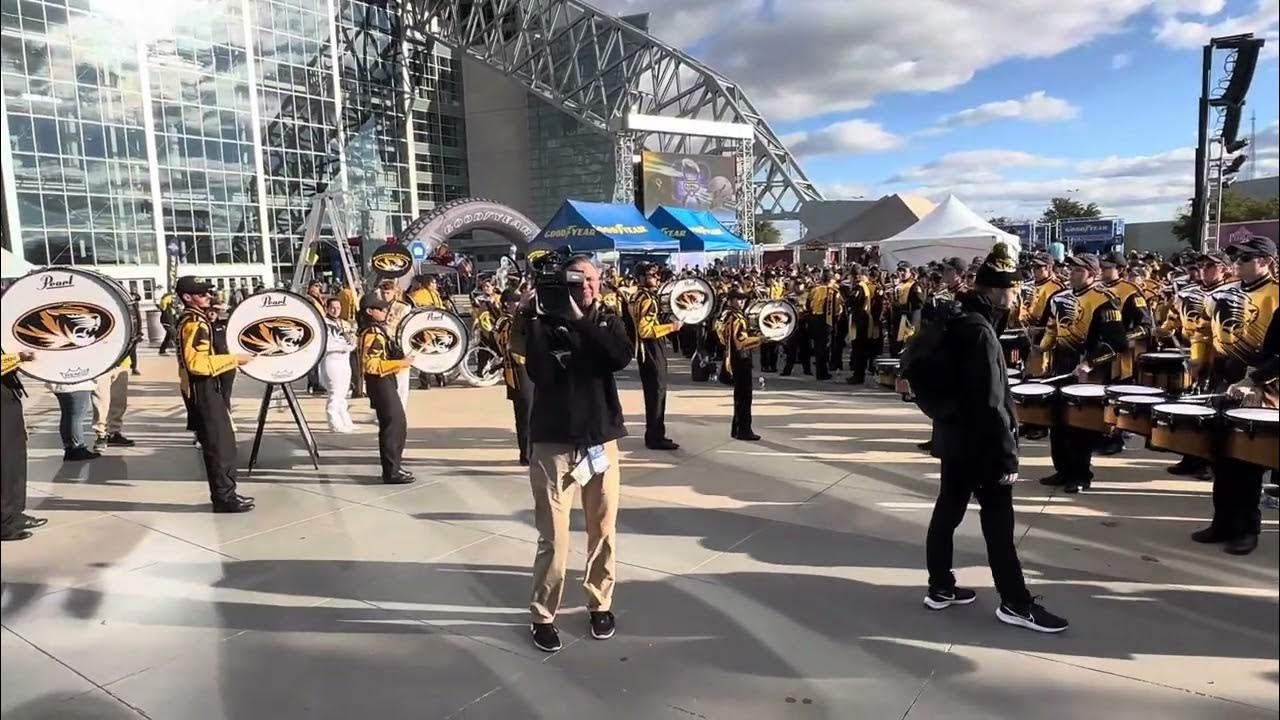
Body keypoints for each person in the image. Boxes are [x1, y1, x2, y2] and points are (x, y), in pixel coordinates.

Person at [923, 243, 1068, 633]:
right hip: (980, 444)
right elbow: (990, 403)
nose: (1018, 296)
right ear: (997, 290)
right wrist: (1007, 457)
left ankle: (940, 587)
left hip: (953, 436)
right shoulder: (980, 331)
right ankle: (1015, 603)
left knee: (947, 511)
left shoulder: (958, 316)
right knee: (999, 523)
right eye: (1015, 289)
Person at [523, 253, 633, 653]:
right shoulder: (543, 320)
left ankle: (600, 603)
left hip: (599, 440)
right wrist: (533, 316)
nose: (584, 287)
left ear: (599, 281)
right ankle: (542, 614)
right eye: (575, 281)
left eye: (589, 280)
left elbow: (619, 356)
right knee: (553, 538)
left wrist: (583, 321)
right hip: (553, 443)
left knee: (602, 530)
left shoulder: (606, 319)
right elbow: (540, 372)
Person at [1193, 236, 1278, 556]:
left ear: (1266, 261)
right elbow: (1206, 333)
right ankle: (1222, 523)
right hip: (1224, 384)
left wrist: (1253, 380)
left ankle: (1247, 529)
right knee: (1222, 457)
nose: (1238, 263)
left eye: (1246, 258)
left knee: (1247, 462)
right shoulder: (1224, 294)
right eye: (1237, 259)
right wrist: (1200, 359)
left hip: (1263, 390)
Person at [1038, 255, 1129, 494]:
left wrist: (1089, 363)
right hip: (1061, 369)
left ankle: (1080, 475)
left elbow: (1117, 343)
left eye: (1078, 270)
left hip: (1088, 374)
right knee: (1057, 424)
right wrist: (1042, 347)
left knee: (1080, 427)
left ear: (1092, 273)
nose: (1072, 273)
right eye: (1071, 269)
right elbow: (1052, 329)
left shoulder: (1106, 301)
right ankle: (1062, 470)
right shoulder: (1058, 298)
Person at [175, 276, 255, 513]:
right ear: (187, 297)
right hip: (203, 389)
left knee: (223, 443)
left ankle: (226, 493)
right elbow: (196, 364)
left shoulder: (196, 319)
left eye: (208, 293)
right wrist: (234, 359)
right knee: (219, 446)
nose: (208, 297)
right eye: (202, 294)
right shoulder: (193, 323)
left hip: (205, 388)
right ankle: (224, 498)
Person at [359, 294, 416, 484]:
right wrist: (401, 363)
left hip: (384, 381)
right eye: (380, 309)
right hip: (379, 381)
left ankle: (395, 466)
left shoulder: (376, 330)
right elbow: (371, 365)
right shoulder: (372, 333)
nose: (385, 312)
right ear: (369, 312)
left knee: (396, 424)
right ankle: (391, 471)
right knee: (394, 425)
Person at [629, 261, 681, 451]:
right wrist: (671, 327)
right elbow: (645, 330)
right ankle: (655, 437)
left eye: (657, 274)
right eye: (652, 275)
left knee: (654, 394)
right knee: (657, 394)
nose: (657, 277)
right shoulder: (648, 299)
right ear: (641, 278)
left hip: (646, 350)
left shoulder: (638, 296)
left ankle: (655, 434)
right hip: (651, 348)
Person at [2, 350, 46, 541]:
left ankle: (15, 514)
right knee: (5, 463)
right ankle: (5, 522)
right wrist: (18, 357)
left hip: (7, 395)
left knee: (15, 458)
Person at [718, 289, 764, 440]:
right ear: (730, 300)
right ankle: (744, 430)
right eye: (738, 299)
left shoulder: (724, 314)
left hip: (730, 356)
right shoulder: (736, 317)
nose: (742, 302)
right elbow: (740, 343)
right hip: (740, 358)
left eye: (743, 299)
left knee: (739, 395)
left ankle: (736, 429)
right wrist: (759, 340)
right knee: (744, 396)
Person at [495, 289, 532, 464]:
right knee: (524, 413)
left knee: (534, 412)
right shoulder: (504, 321)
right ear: (506, 304)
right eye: (514, 301)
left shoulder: (524, 317)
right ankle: (525, 453)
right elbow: (508, 344)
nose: (518, 304)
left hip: (531, 369)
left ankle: (531, 450)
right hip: (517, 371)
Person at [321, 297, 357, 433]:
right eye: (333, 307)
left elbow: (353, 342)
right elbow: (326, 344)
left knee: (343, 392)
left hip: (344, 361)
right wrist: (344, 346)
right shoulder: (322, 324)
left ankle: (345, 420)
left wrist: (351, 343)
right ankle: (334, 422)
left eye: (338, 307)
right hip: (331, 360)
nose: (336, 310)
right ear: (327, 308)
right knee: (335, 392)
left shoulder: (344, 323)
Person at [376, 280, 413, 409]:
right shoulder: (378, 306)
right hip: (382, 346)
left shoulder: (403, 307)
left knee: (401, 381)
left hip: (398, 346)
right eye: (383, 292)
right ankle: (383, 410)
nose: (385, 295)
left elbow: (407, 327)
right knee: (384, 382)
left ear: (394, 292)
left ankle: (400, 409)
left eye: (387, 292)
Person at [48, 379, 98, 461]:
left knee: (68, 415)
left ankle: (70, 447)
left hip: (61, 382)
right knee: (76, 416)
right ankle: (77, 448)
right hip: (77, 382)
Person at [92, 357, 135, 451]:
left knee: (119, 400)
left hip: (122, 361)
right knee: (101, 400)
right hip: (100, 363)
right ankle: (101, 435)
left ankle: (114, 432)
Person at [158, 290, 178, 355]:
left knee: (168, 337)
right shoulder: (165, 306)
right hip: (166, 322)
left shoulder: (172, 306)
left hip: (171, 323)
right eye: (172, 298)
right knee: (175, 336)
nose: (173, 299)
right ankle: (180, 350)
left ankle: (162, 351)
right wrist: (169, 296)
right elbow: (164, 301)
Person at [129, 293, 142, 374]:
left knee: (132, 350)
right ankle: (133, 367)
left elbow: (138, 319)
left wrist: (139, 332)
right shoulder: (130, 306)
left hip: (133, 331)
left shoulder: (134, 305)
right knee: (130, 350)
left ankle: (134, 367)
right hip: (130, 330)